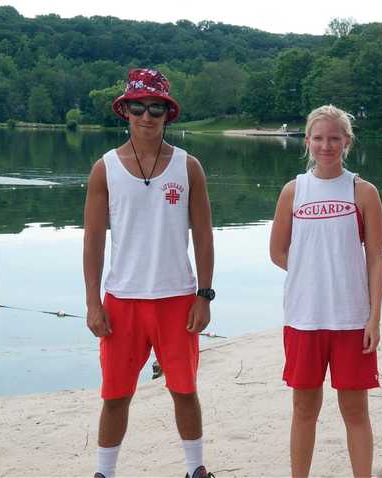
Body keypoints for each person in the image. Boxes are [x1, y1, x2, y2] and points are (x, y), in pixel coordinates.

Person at [83, 68, 215, 478]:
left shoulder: (188, 166)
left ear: (167, 114)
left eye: (156, 107)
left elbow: (205, 237)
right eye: (138, 107)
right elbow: (93, 243)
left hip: (177, 298)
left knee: (184, 390)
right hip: (121, 299)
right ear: (125, 111)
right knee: (115, 395)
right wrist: (92, 303)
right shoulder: (104, 168)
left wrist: (204, 295)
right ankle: (104, 472)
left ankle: (195, 469)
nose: (146, 115)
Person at [269, 105, 382, 477]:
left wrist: (374, 318)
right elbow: (277, 251)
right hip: (304, 317)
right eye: (318, 138)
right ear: (307, 141)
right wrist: (313, 273)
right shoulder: (293, 191)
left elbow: (376, 261)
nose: (326, 145)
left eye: (334, 138)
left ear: (346, 142)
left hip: (351, 319)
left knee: (355, 410)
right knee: (304, 409)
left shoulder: (363, 192)